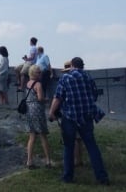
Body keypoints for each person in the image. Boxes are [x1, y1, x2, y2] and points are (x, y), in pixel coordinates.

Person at [48, 57, 109, 185]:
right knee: (92, 146)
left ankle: (67, 177)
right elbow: (94, 95)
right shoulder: (89, 78)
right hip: (87, 116)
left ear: (72, 65)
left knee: (68, 147)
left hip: (70, 117)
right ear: (82, 66)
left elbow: (58, 97)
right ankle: (102, 177)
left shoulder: (65, 78)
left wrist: (52, 112)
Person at [23, 65, 51, 169]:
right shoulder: (38, 84)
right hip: (37, 110)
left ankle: (29, 161)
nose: (40, 74)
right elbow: (40, 98)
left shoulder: (28, 83)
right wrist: (47, 100)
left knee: (32, 136)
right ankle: (48, 160)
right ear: (34, 73)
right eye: (38, 72)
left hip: (29, 109)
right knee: (43, 135)